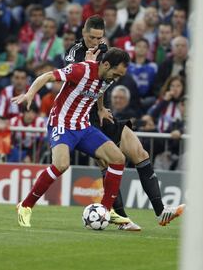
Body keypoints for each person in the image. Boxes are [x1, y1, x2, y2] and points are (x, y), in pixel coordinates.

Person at [65, 15, 185, 231]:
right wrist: (88, 64)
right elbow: (78, 79)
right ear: (84, 33)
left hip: (97, 114)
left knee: (139, 152)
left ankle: (161, 211)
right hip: (80, 118)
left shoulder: (103, 49)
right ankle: (121, 218)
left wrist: (101, 107)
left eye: (100, 38)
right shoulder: (75, 52)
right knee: (108, 163)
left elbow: (100, 80)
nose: (96, 42)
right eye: (92, 38)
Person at [13, 47, 130, 228]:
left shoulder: (107, 77)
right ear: (106, 64)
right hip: (61, 123)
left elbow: (100, 89)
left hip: (83, 126)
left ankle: (106, 211)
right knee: (61, 164)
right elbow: (46, 77)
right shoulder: (81, 70)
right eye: (115, 74)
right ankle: (25, 205)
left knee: (118, 158)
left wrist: (100, 108)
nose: (115, 79)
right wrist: (30, 93)